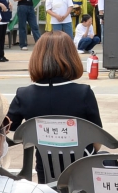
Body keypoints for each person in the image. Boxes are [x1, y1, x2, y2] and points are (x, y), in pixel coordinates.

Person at [8, 31, 103, 181]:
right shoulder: (83, 93)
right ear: (71, 57)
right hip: (81, 167)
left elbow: (7, 128)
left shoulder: (24, 95)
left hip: (45, 169)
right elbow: (97, 142)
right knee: (107, 160)